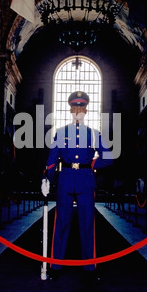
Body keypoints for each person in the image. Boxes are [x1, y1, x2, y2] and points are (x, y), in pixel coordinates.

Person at [41, 91, 114, 280]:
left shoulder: (94, 134)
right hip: (65, 181)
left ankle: (89, 265)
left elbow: (109, 157)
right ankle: (56, 264)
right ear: (70, 110)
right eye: (74, 107)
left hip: (85, 181)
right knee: (61, 223)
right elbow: (51, 160)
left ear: (86, 110)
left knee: (87, 224)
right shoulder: (60, 133)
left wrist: (92, 164)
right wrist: (46, 178)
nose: (78, 111)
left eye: (81, 107)